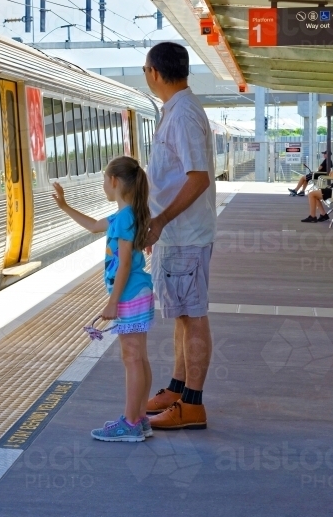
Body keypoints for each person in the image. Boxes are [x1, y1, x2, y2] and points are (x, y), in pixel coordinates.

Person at [53, 157, 155, 442]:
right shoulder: (126, 214)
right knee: (139, 358)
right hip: (138, 292)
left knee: (131, 358)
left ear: (114, 182)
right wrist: (64, 206)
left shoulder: (124, 218)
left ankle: (131, 422)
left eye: (103, 180)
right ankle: (141, 418)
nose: (102, 186)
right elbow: (94, 226)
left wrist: (113, 302)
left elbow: (123, 264)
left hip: (129, 293)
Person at [141, 42, 214, 431]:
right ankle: (177, 389)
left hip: (184, 233)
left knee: (193, 315)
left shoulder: (182, 114)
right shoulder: (178, 110)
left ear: (154, 72)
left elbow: (197, 177)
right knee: (183, 316)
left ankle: (193, 405)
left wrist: (162, 220)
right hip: (178, 235)